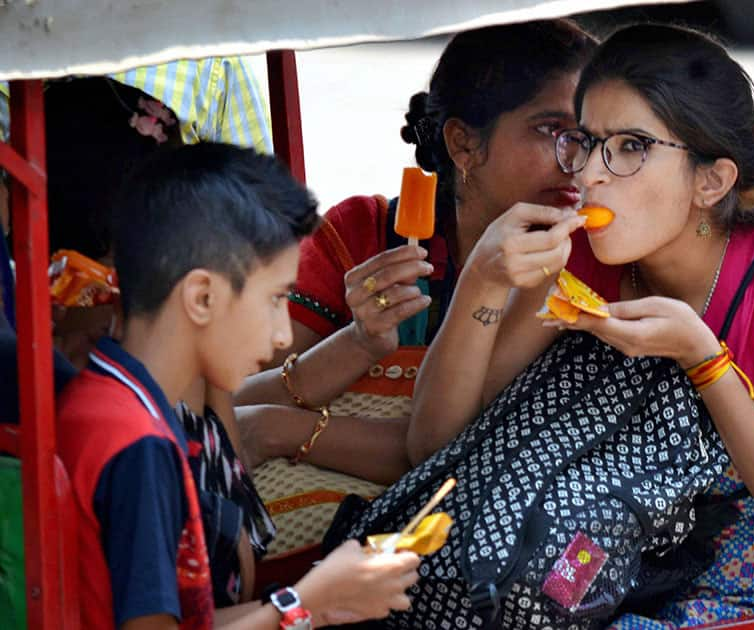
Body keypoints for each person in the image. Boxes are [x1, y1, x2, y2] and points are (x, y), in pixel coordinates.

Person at [407, 24, 754, 626]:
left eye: (630, 147)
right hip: (606, 555)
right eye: (586, 141)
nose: (587, 174)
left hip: (748, 570)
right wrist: (482, 281)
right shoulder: (583, 257)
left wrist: (703, 358)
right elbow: (440, 446)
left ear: (711, 180)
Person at [56, 143, 421, 630]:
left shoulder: (120, 398)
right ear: (202, 297)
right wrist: (302, 602)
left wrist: (326, 601)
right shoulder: (135, 443)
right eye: (274, 300)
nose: (282, 334)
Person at [233, 19, 598, 481]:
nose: (578, 161)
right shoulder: (363, 236)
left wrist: (280, 429)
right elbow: (232, 403)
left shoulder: (588, 260)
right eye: (551, 130)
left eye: (589, 137)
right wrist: (359, 343)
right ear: (464, 145)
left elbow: (462, 449)